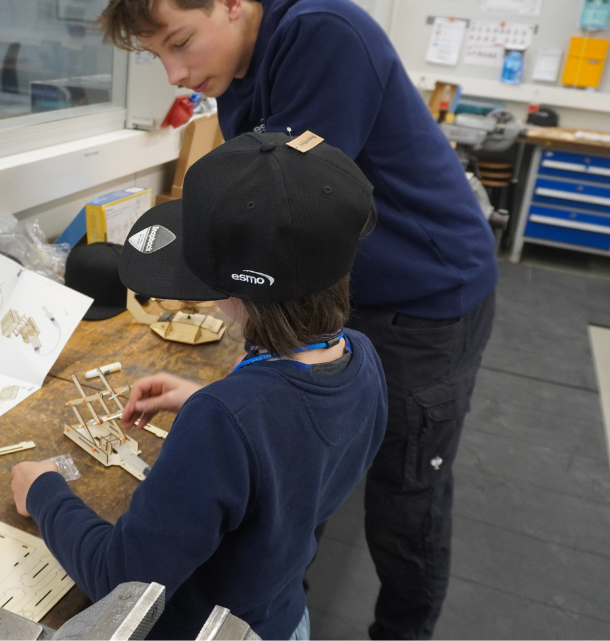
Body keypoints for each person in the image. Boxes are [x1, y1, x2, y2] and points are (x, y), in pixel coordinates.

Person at [97, 1, 499, 638]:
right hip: (338, 292)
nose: (173, 74)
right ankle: (282, 614)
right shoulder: (234, 69)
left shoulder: (321, 35)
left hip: (425, 293)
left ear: (232, 3)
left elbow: (277, 221)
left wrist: (233, 408)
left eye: (179, 42)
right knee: (300, 477)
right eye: (156, 56)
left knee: (406, 497)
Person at [11, 131, 387, 640]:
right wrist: (212, 404)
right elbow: (294, 445)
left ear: (227, 297)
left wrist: (43, 492)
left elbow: (122, 581)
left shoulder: (225, 420)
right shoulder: (363, 358)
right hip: (280, 616)